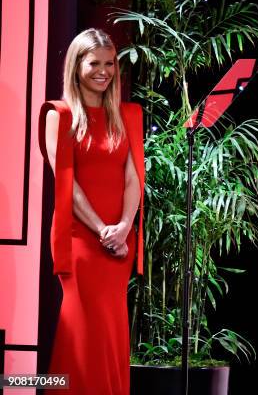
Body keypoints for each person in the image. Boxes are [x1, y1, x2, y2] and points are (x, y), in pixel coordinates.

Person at [39, 28, 144, 394]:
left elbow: (133, 179)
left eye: (110, 63)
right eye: (94, 63)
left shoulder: (129, 115)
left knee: (111, 330)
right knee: (81, 330)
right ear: (76, 65)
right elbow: (67, 182)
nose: (104, 71)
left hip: (119, 243)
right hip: (81, 242)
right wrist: (103, 229)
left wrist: (124, 227)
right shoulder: (59, 115)